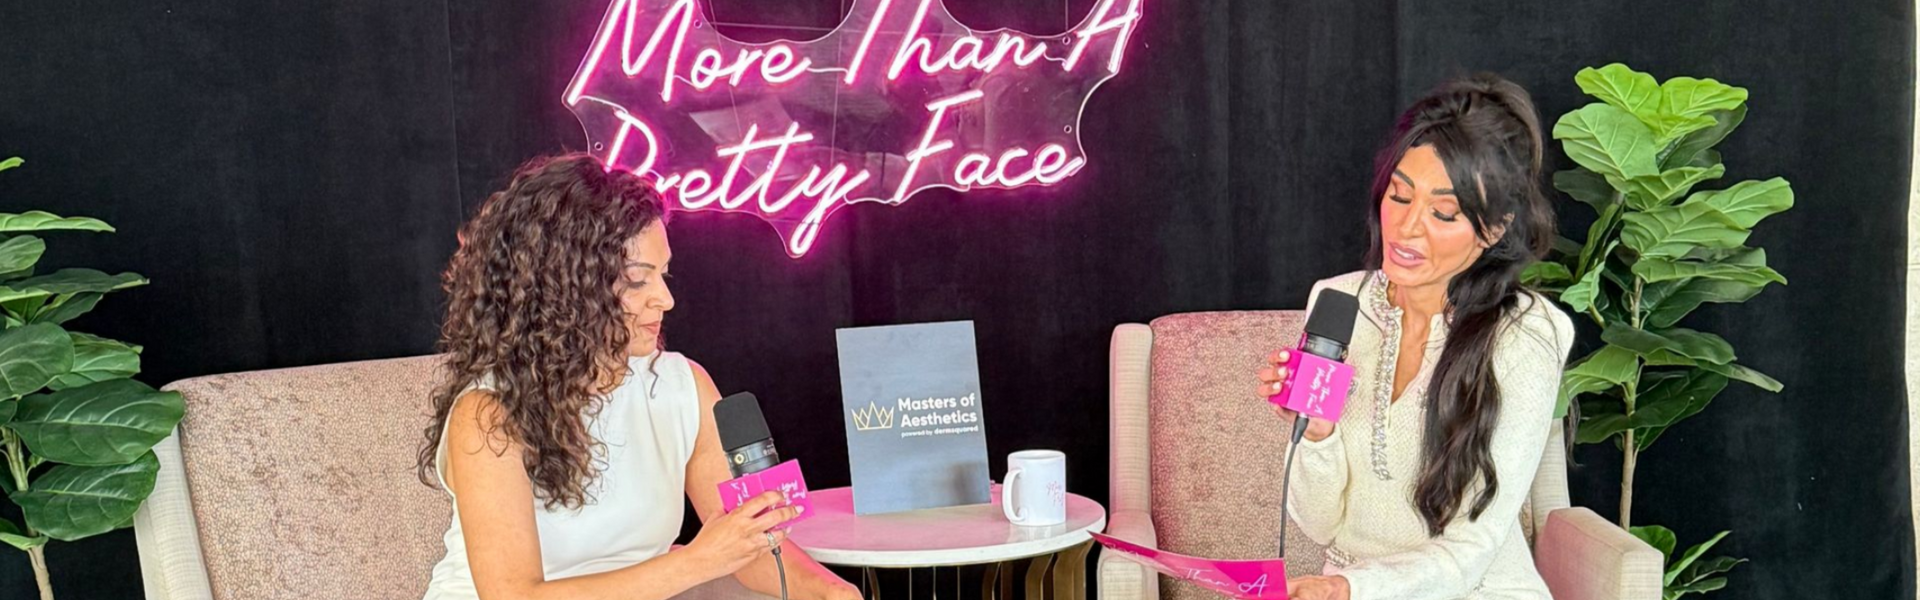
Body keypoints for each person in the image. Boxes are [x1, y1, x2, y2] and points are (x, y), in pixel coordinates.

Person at [417, 154, 862, 600]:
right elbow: (514, 595)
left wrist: (829, 591)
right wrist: (696, 561)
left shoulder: (682, 386)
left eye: (663, 275)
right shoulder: (489, 413)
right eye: (637, 281)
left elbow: (749, 545)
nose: (665, 300)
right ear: (564, 288)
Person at [1256, 74, 1576, 600]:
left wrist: (1349, 587)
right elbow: (1320, 525)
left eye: (1444, 213)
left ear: (1494, 229)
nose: (1406, 230)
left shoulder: (1526, 335)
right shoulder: (1337, 302)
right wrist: (1316, 436)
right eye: (1399, 197)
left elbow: (1474, 546)